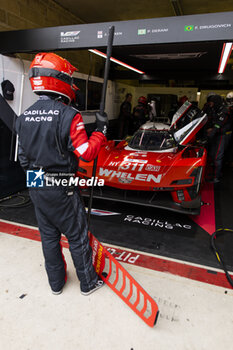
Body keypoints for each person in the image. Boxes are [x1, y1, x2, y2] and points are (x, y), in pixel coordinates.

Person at [15, 52, 108, 295]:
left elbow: (23, 158)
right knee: (77, 236)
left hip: (35, 186)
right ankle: (88, 283)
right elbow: (86, 153)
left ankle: (56, 284)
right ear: (59, 80)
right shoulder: (69, 115)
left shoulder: (23, 117)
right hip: (62, 188)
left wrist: (39, 177)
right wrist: (101, 131)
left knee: (49, 237)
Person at [206, 94, 232, 183]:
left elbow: (218, 125)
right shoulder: (216, 109)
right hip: (217, 134)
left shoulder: (224, 111)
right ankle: (216, 173)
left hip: (222, 135)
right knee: (213, 154)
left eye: (212, 103)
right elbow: (213, 122)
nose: (210, 105)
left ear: (216, 102)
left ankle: (216, 177)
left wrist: (210, 134)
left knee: (217, 156)